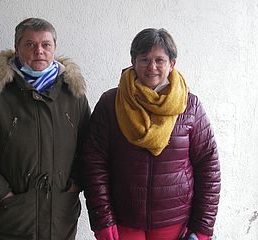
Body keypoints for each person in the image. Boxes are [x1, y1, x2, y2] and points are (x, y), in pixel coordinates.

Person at [0, 18, 90, 240]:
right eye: (30, 44)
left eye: (46, 44)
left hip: (60, 219)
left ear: (54, 48)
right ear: (17, 48)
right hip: (11, 221)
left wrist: (75, 185)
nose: (39, 51)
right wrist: (3, 195)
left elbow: (90, 149)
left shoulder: (73, 95)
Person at [82, 28, 220, 240]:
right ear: (133, 61)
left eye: (159, 60)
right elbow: (94, 163)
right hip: (123, 221)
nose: (152, 67)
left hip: (175, 222)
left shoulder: (189, 105)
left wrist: (202, 227)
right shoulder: (111, 103)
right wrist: (102, 219)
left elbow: (208, 166)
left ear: (172, 64)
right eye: (144, 59)